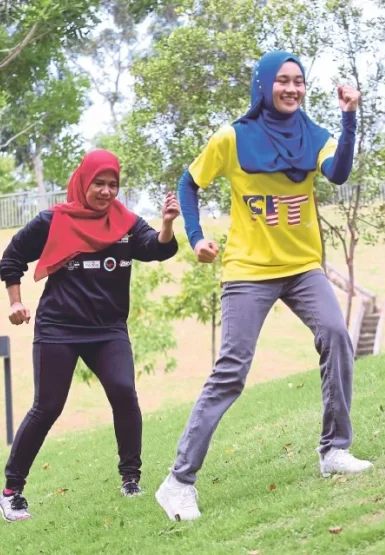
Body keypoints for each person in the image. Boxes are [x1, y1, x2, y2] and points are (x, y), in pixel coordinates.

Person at [155, 51, 372, 521]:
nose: (292, 89)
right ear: (264, 84)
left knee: (336, 335)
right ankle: (178, 481)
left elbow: (337, 173)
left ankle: (334, 450)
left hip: (301, 267)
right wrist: (196, 239)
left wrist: (350, 117)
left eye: (298, 82)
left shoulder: (316, 136)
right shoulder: (232, 138)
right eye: (283, 81)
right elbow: (189, 183)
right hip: (249, 271)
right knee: (231, 371)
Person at [0, 149, 179, 522]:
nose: (107, 191)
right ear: (84, 181)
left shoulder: (126, 223)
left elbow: (154, 249)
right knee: (47, 406)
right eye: (99, 183)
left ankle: (131, 478)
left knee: (124, 391)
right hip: (59, 328)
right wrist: (15, 302)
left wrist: (167, 225)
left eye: (113, 184)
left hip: (108, 329)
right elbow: (12, 257)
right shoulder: (53, 221)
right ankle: (12, 491)